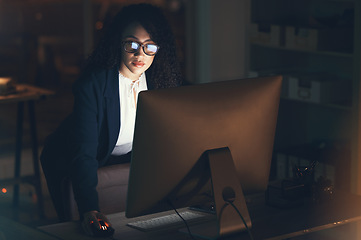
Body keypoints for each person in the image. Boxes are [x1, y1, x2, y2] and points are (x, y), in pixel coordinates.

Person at [40, 3, 182, 236]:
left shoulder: (161, 81)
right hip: (71, 161)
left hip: (116, 163)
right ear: (119, 42)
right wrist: (89, 209)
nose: (140, 55)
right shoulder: (92, 86)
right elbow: (84, 154)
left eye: (149, 46)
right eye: (132, 44)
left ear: (159, 48)